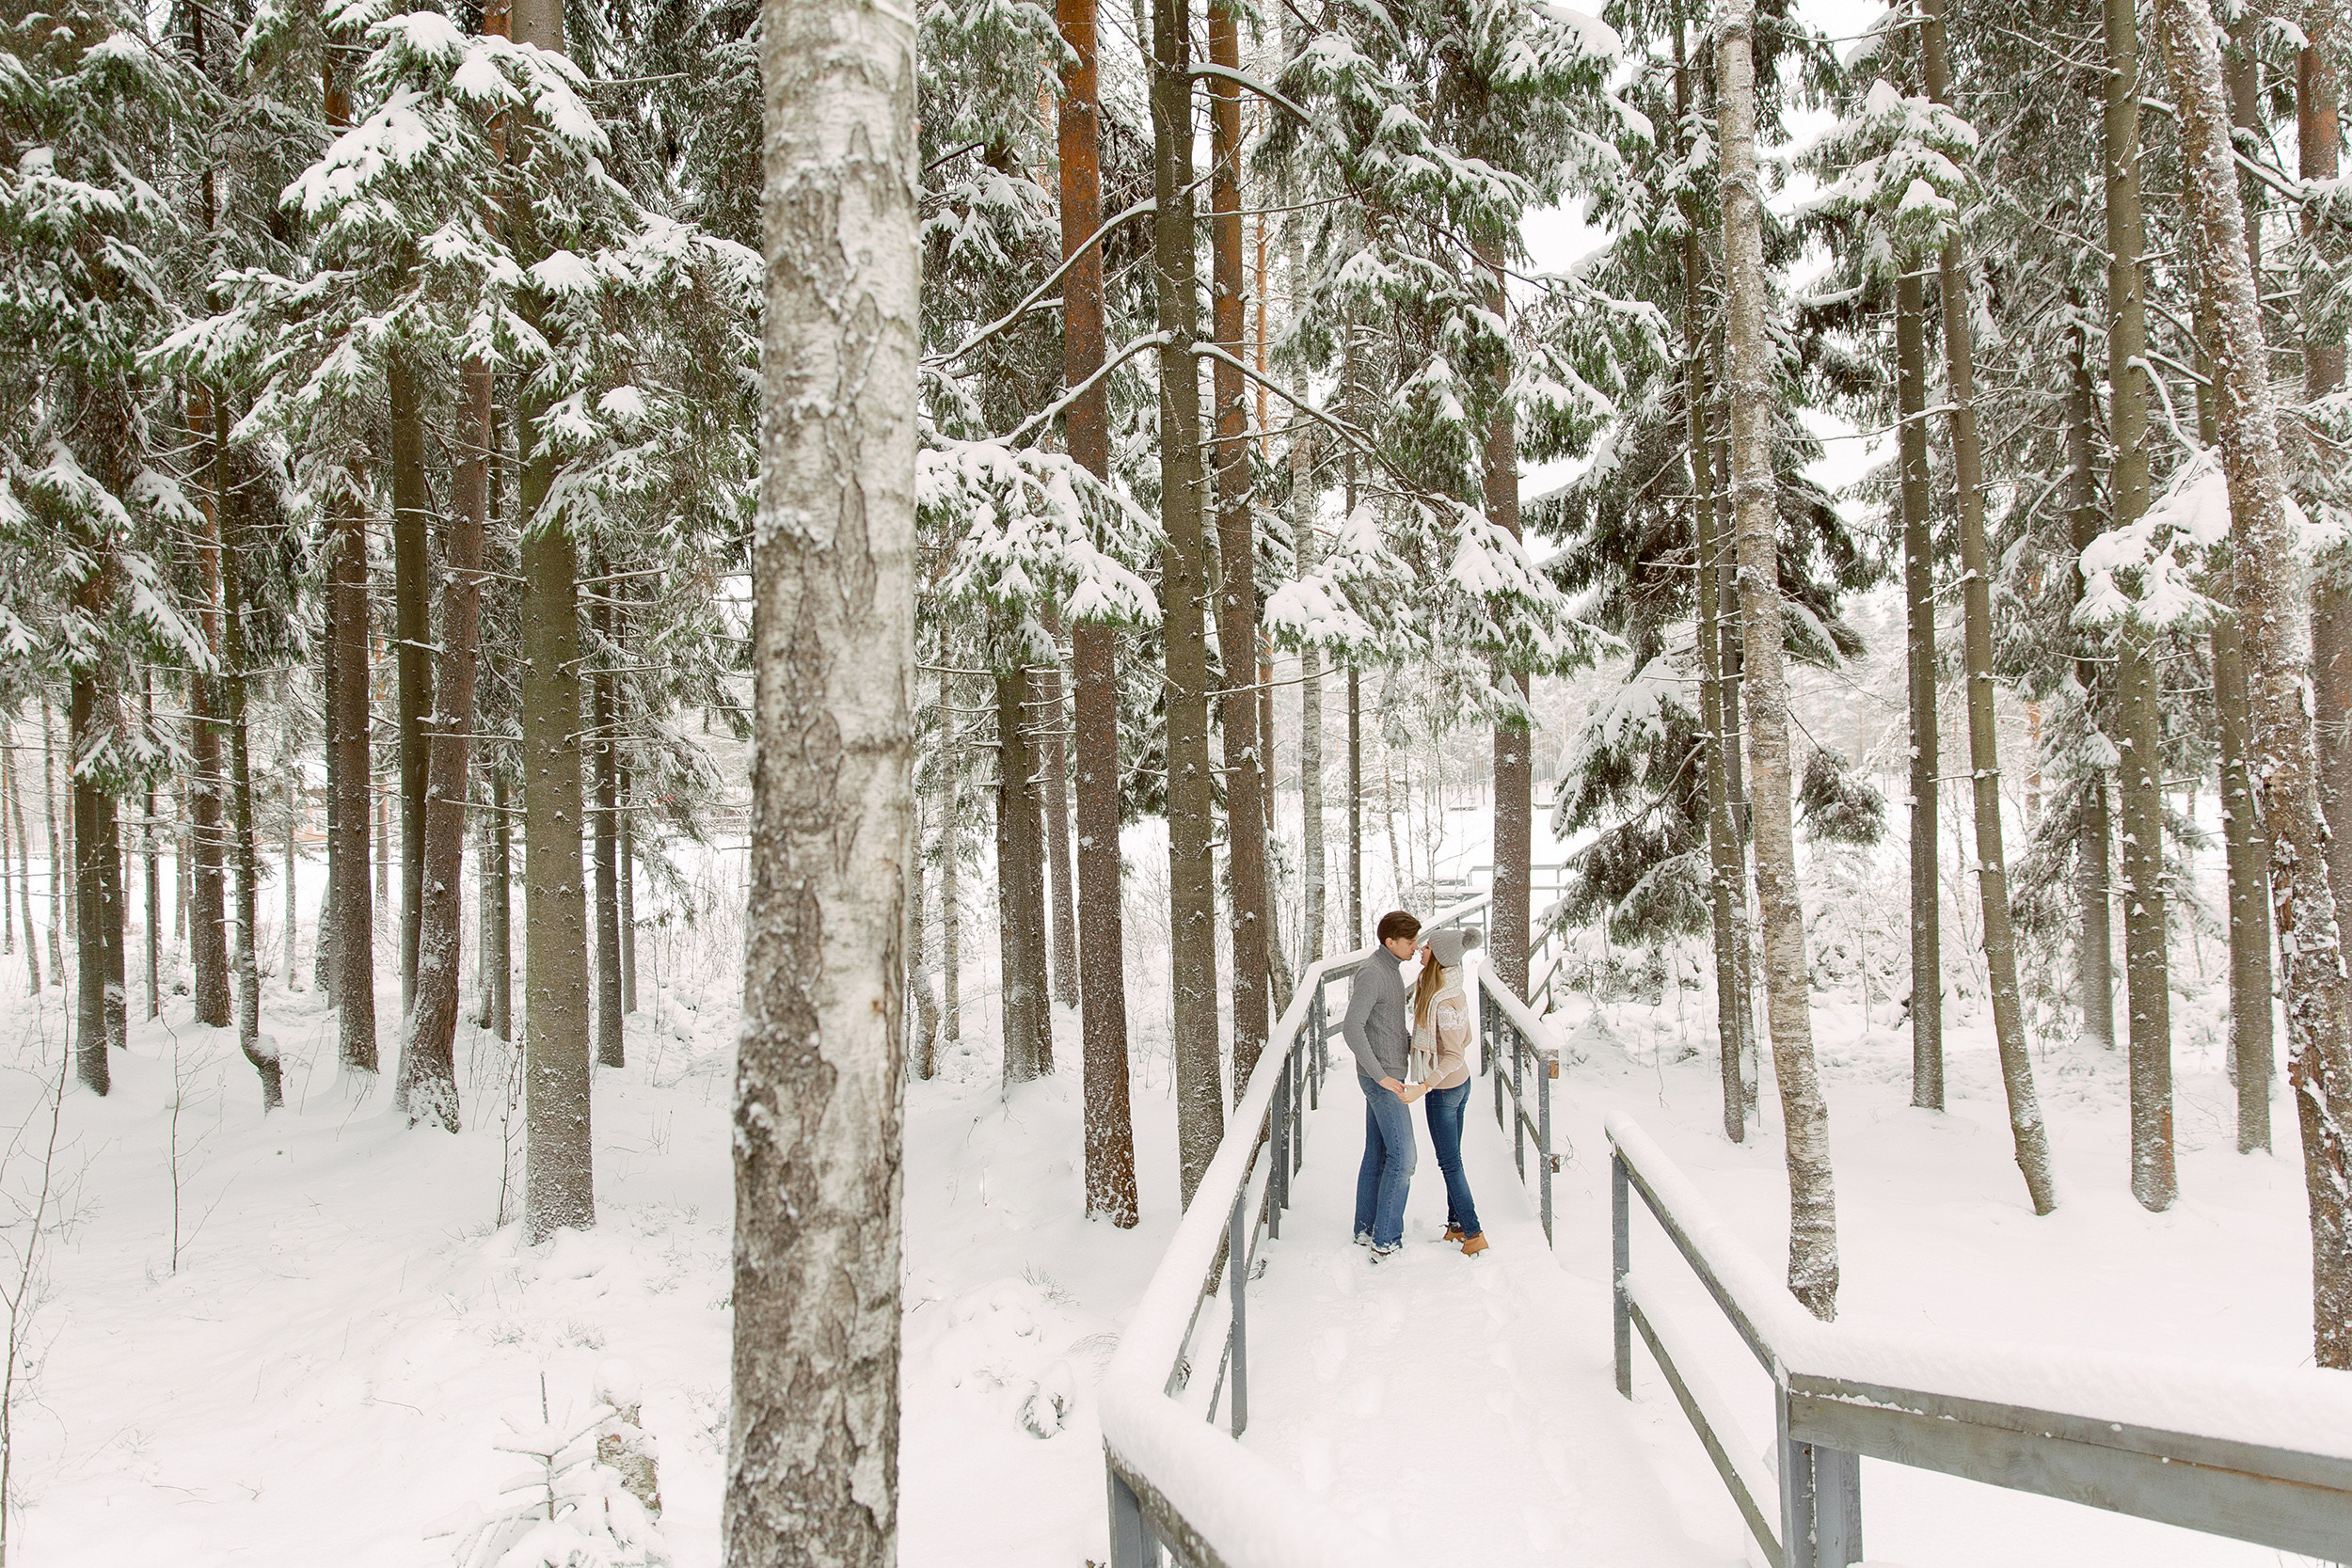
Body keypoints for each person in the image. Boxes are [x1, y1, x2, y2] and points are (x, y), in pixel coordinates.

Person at [1397, 927, 1486, 1257]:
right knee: (1454, 1160)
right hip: (1460, 1085)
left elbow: (1454, 1053)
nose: (1421, 948)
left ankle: (1474, 1233)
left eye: (1428, 946)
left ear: (1440, 956)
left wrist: (1424, 1085)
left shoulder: (1444, 1001)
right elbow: (1466, 1039)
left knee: (1450, 1164)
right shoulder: (1446, 986)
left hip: (1445, 1091)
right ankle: (1457, 1225)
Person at [1343, 910, 1421, 1259]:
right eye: (1410, 942)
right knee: (1404, 1159)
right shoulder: (1373, 973)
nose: (1416, 948)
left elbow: (1386, 1025)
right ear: (1390, 942)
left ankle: (1365, 1229)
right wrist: (1381, 1076)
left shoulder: (1392, 971)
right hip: (1382, 1079)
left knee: (1377, 1154)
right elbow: (1352, 1027)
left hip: (1390, 1074)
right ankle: (1386, 1240)